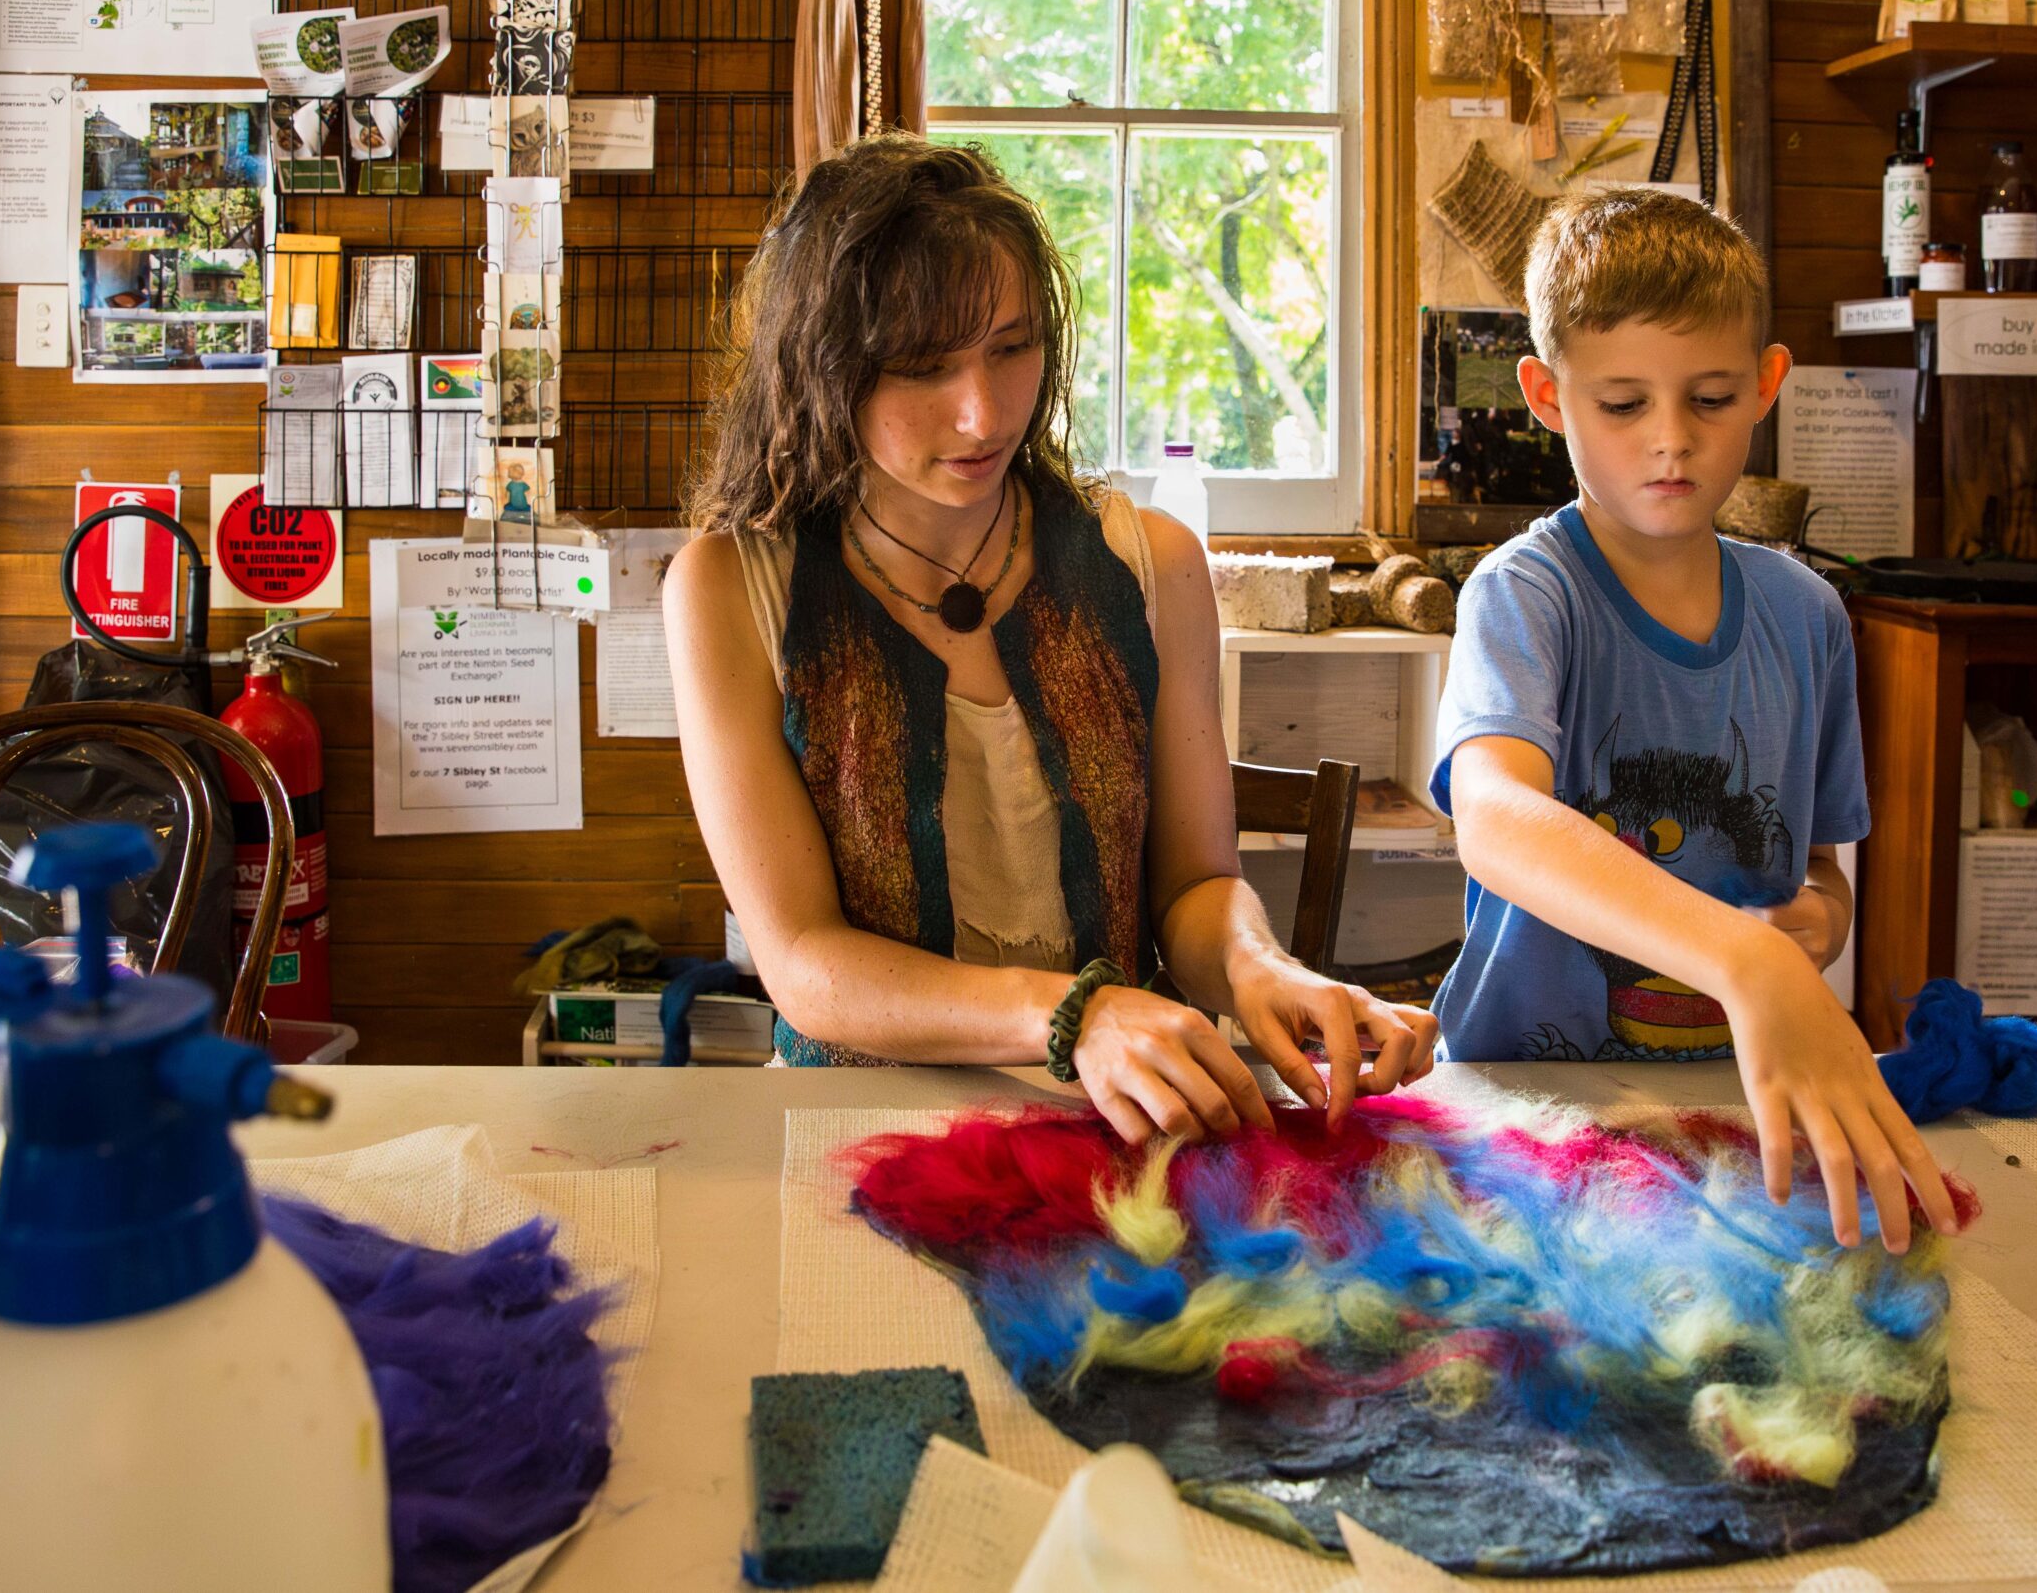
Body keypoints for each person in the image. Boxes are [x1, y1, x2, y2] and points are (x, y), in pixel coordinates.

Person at [664, 135, 1436, 1143]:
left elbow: (1197, 887)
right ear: (820, 368)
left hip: (1124, 1123)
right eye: (922, 367)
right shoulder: (734, 588)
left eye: (1012, 347)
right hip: (855, 1132)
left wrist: (1261, 969)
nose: (983, 412)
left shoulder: (1149, 565)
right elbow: (804, 961)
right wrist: (1075, 1013)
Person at [1430, 190, 1956, 1253]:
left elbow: (1817, 875)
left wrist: (1815, 926)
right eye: (1622, 405)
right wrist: (1743, 959)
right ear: (1545, 394)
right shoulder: (1528, 595)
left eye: (1710, 398)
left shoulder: (1806, 616)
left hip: (1734, 1105)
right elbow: (1493, 818)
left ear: (1765, 384)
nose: (1670, 443)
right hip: (1531, 1109)